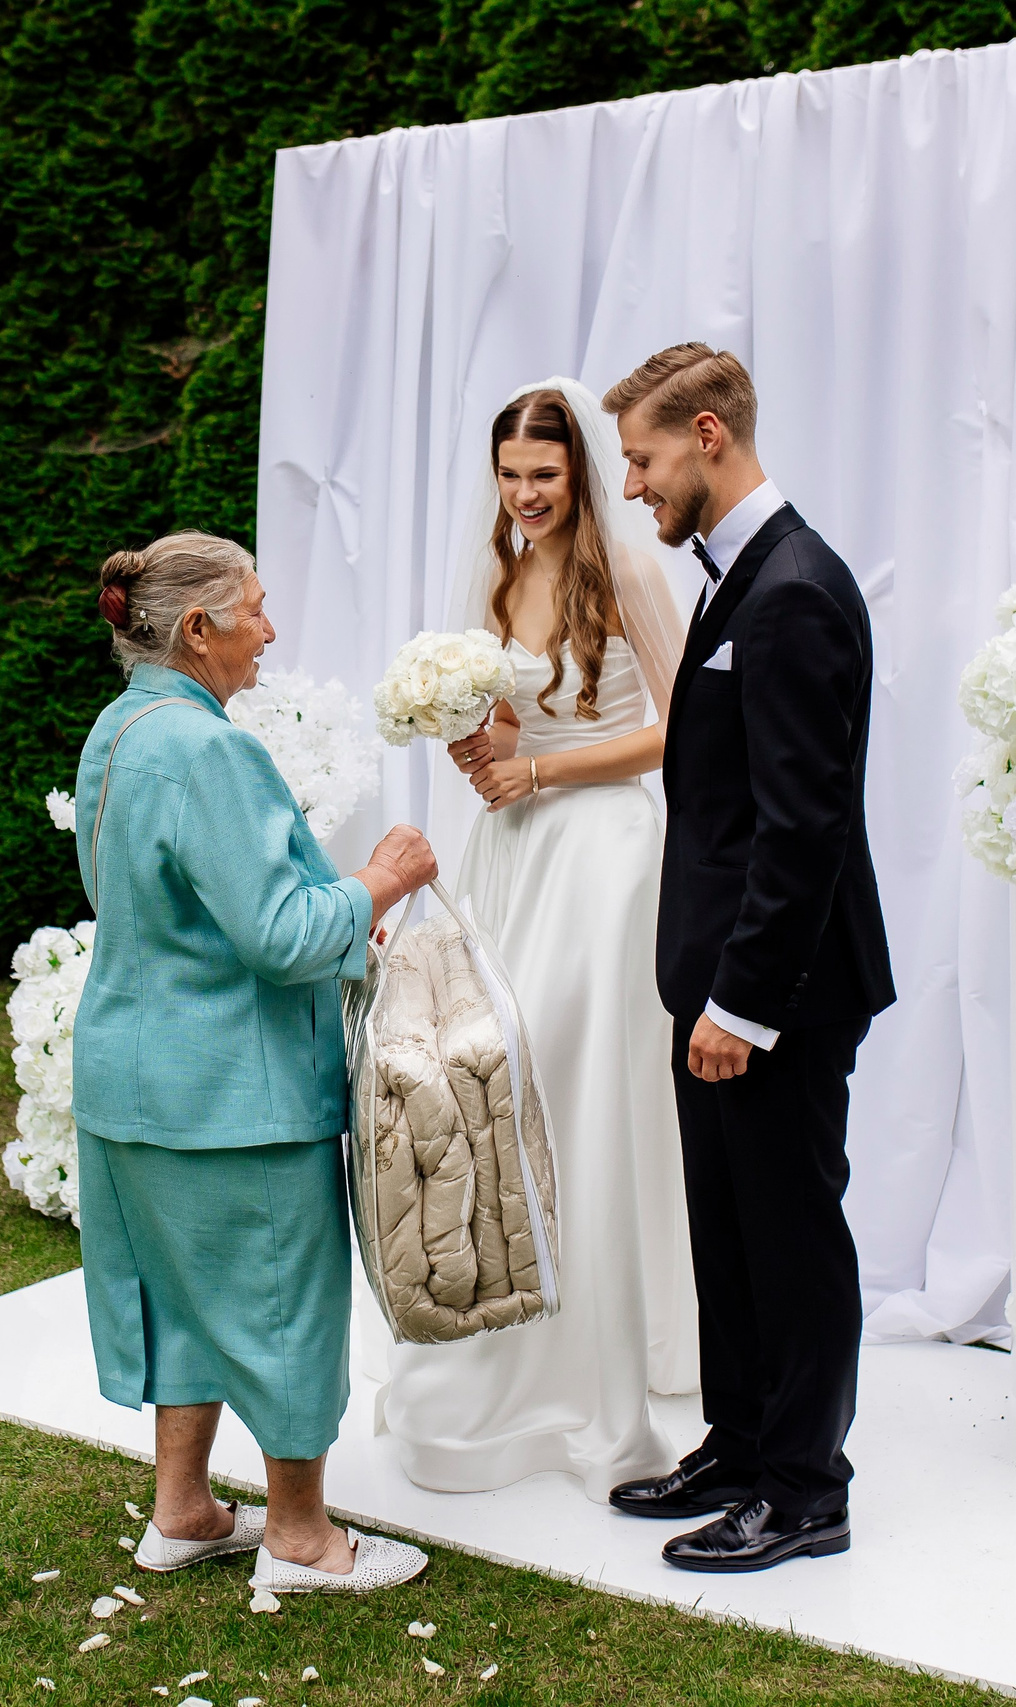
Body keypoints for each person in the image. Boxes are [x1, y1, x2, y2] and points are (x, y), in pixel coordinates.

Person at [71, 529, 438, 1595]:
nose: (270, 632)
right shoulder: (209, 749)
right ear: (199, 628)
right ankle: (302, 1539)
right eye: (256, 610)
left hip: (133, 1075)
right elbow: (277, 934)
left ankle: (183, 1513)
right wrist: (379, 877)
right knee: (280, 1304)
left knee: (185, 1296)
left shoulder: (121, 728)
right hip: (231, 1090)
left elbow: (154, 900)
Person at [600, 345, 895, 1573]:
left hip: (775, 994)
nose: (632, 488)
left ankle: (805, 1489)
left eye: (644, 459)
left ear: (708, 435)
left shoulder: (794, 592)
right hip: (716, 987)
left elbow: (802, 827)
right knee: (722, 1230)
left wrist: (740, 1005)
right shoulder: (740, 575)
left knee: (789, 1233)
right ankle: (738, 1443)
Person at [382, 379, 699, 1500]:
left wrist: (544, 769)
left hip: (605, 854)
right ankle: (510, 1318)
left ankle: (610, 1352)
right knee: (501, 1080)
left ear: (581, 476)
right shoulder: (503, 570)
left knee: (574, 1081)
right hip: (513, 846)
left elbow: (678, 732)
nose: (526, 496)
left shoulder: (633, 572)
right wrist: (477, 743)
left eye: (546, 476)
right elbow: (512, 720)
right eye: (511, 476)